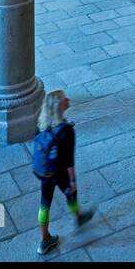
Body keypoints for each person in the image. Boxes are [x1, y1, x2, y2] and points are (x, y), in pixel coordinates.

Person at [32, 90, 95, 255]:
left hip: (45, 173)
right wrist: (72, 181)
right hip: (60, 173)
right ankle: (78, 216)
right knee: (71, 194)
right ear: (60, 107)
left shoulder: (41, 126)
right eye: (64, 99)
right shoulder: (66, 131)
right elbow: (69, 161)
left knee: (44, 203)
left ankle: (44, 239)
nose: (68, 99)